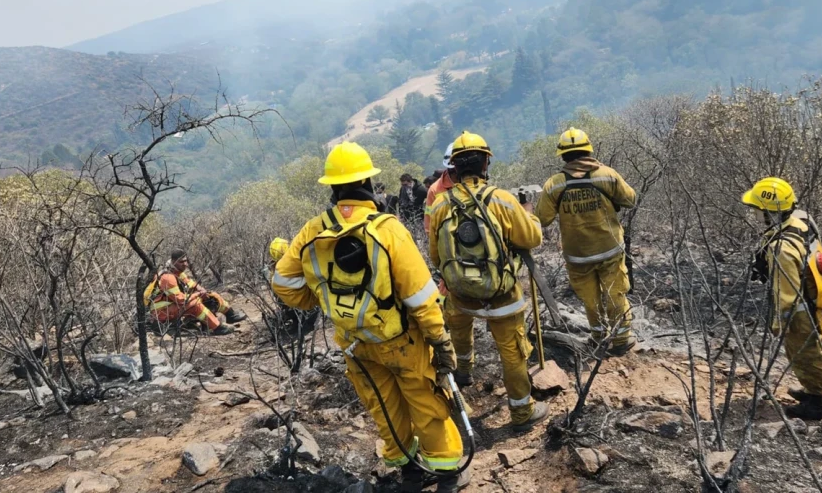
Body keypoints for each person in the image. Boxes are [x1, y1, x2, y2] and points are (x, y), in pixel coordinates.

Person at [272, 142, 468, 492]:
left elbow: (283, 283)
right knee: (426, 403)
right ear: (367, 183)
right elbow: (421, 296)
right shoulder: (386, 228)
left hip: (356, 344)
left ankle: (410, 475)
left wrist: (321, 298)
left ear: (331, 187)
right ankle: (448, 476)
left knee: (385, 408)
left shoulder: (312, 231)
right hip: (402, 341)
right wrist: (439, 340)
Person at [428, 131, 549, 433]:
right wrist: (529, 214)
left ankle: (464, 371)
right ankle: (522, 413)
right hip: (501, 296)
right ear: (485, 164)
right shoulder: (503, 201)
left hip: (459, 295)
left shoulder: (440, 204)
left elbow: (435, 256)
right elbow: (532, 238)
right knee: (512, 352)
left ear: (454, 167)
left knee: (459, 333)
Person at [742, 177, 822, 421]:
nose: (756, 217)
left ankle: (818, 403)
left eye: (759, 212)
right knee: (805, 353)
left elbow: (785, 292)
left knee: (804, 353)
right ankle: (812, 390)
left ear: (772, 213)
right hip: (818, 296)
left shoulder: (783, 248)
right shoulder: (801, 219)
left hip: (802, 310)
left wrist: (779, 324)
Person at [534, 127, 637, 357]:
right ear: (588, 151)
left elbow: (542, 218)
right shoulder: (607, 175)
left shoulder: (554, 184)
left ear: (562, 155)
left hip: (577, 256)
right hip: (609, 249)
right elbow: (630, 200)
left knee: (590, 298)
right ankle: (621, 339)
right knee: (615, 293)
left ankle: (599, 337)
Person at [145, 249, 246, 335]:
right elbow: (180, 300)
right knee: (194, 304)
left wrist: (202, 291)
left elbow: (191, 284)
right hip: (161, 311)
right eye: (181, 262)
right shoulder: (167, 277)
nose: (185, 264)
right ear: (174, 261)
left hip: (171, 306)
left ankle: (231, 315)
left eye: (185, 261)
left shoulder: (176, 272)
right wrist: (197, 294)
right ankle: (217, 328)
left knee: (211, 296)